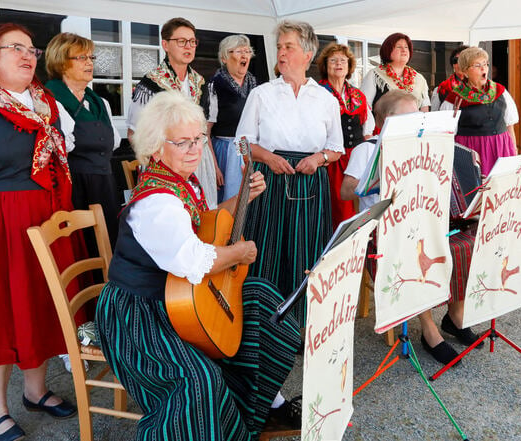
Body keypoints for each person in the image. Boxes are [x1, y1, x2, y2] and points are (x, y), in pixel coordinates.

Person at [96, 91, 302, 441]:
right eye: (183, 142)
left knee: (264, 303)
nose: (194, 149)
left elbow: (203, 223)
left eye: (198, 139)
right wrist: (239, 253)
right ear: (156, 146)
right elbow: (195, 260)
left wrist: (243, 197)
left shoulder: (181, 181)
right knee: (197, 380)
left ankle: (250, 410)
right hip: (140, 314)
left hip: (180, 298)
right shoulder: (157, 202)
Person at [0, 23, 79, 441]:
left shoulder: (45, 101)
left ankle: (35, 390)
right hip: (0, 219)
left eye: (31, 49)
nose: (28, 56)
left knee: (43, 302)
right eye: (15, 48)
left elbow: (68, 146)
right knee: (2, 310)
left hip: (46, 215)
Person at [341, 90, 479, 364]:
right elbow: (346, 191)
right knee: (416, 252)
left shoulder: (423, 145)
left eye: (420, 115)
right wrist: (382, 183)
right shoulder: (366, 149)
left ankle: (455, 315)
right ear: (388, 121)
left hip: (421, 221)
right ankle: (428, 330)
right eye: (411, 116)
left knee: (465, 242)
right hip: (384, 230)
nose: (419, 120)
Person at [236, 20, 343, 326]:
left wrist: (319, 158)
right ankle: (259, 323)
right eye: (279, 47)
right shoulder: (262, 94)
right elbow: (242, 144)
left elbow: (336, 148)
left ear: (308, 54)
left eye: (288, 47)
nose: (281, 53)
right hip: (268, 181)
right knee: (265, 249)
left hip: (310, 180)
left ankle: (299, 323)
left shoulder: (325, 99)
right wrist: (266, 157)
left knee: (305, 252)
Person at [126, 17, 218, 207]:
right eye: (181, 41)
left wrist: (213, 165)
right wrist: (158, 164)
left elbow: (204, 131)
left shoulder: (200, 82)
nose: (189, 47)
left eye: (192, 41)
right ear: (165, 44)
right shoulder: (151, 83)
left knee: (204, 217)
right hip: (165, 163)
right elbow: (134, 133)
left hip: (198, 159)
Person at [44, 32, 122, 247]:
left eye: (91, 58)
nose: (89, 63)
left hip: (104, 185)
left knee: (109, 242)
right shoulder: (50, 100)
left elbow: (112, 142)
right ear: (61, 62)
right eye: (81, 58)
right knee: (85, 245)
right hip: (74, 189)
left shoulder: (99, 102)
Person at [316, 42, 375, 228]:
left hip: (355, 157)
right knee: (338, 208)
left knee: (360, 206)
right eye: (333, 60)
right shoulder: (318, 94)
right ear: (325, 66)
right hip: (332, 160)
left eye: (343, 60)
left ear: (349, 66)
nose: (338, 64)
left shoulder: (358, 95)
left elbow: (367, 129)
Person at [439, 47, 518, 176]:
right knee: (476, 192)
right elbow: (446, 136)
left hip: (501, 148)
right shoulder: (454, 99)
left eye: (485, 64)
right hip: (473, 153)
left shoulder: (500, 92)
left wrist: (513, 150)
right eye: (477, 65)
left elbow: (510, 124)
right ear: (465, 71)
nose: (484, 69)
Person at [206, 34, 258, 202]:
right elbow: (205, 132)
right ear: (224, 58)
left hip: (249, 149)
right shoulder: (216, 85)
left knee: (249, 202)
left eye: (247, 51)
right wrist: (214, 167)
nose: (244, 56)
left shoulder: (255, 86)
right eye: (239, 51)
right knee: (230, 203)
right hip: (226, 151)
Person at [361, 32, 430, 112]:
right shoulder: (375, 75)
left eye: (406, 47)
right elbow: (365, 106)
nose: (404, 50)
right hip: (384, 123)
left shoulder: (419, 79)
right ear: (388, 50)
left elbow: (424, 108)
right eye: (399, 47)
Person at [430, 44, 469, 111]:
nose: (460, 64)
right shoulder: (441, 90)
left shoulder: (482, 89)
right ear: (453, 65)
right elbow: (434, 117)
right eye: (456, 60)